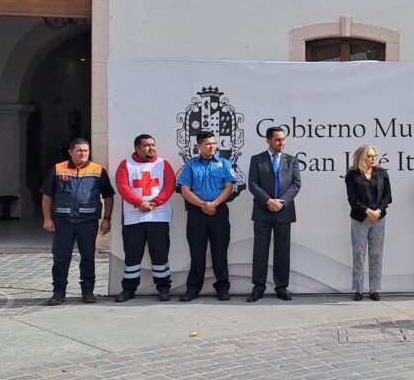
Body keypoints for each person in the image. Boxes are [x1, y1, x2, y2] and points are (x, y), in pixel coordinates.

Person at [41, 138, 116, 305]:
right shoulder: (57, 169)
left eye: (86, 151)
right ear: (71, 152)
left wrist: (107, 219)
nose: (83, 153)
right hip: (63, 221)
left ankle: (88, 292)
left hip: (87, 221)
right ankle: (58, 292)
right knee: (61, 257)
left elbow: (108, 196)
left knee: (88, 256)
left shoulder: (98, 170)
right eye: (79, 150)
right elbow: (47, 195)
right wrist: (47, 218)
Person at [114, 134, 175, 302]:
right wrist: (139, 202)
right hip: (134, 218)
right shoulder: (126, 164)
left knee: (160, 254)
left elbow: (169, 186)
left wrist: (154, 203)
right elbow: (122, 186)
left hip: (158, 217)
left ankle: (163, 288)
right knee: (132, 255)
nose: (151, 148)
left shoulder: (163, 164)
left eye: (153, 144)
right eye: (146, 145)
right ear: (137, 148)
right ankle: (129, 289)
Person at [177, 131, 236, 302]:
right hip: (197, 213)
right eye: (208, 144)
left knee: (220, 252)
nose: (212, 146)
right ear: (198, 146)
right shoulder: (190, 165)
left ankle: (223, 287)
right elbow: (184, 190)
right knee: (197, 253)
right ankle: (193, 289)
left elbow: (228, 187)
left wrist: (214, 204)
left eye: (214, 143)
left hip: (219, 212)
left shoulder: (224, 163)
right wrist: (203, 205)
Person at [246, 126, 302, 302]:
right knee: (260, 250)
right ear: (268, 140)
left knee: (282, 251)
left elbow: (296, 184)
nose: (281, 143)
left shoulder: (291, 161)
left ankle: (281, 287)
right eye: (278, 139)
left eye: (283, 139)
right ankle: (258, 287)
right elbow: (253, 184)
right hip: (263, 210)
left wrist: (280, 202)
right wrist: (268, 201)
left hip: (284, 211)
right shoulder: (257, 160)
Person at [344, 144, 391, 302]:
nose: (373, 159)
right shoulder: (352, 175)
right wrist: (367, 211)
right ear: (362, 157)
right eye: (370, 156)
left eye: (375, 156)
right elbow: (352, 200)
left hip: (379, 218)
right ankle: (358, 289)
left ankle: (374, 289)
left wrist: (377, 210)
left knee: (376, 253)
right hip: (360, 219)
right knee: (359, 254)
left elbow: (388, 196)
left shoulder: (382, 173)